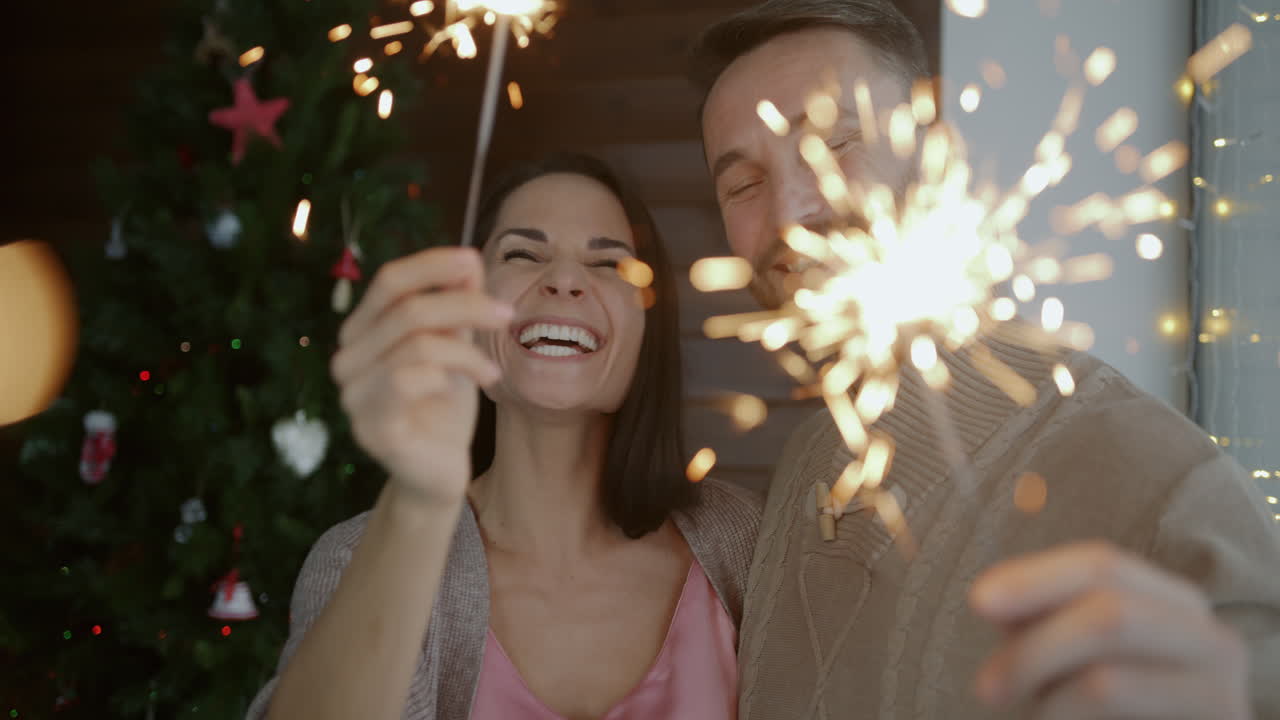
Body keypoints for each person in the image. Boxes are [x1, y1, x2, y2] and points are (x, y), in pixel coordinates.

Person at [689, 1, 1280, 718]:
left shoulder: (1142, 472)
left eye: (836, 144)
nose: (789, 213)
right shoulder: (804, 468)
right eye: (743, 184)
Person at [246, 152, 761, 720]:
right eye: (523, 253)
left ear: (648, 330)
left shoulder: (747, 546)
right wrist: (419, 504)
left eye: (608, 263)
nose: (564, 280)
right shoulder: (358, 558)